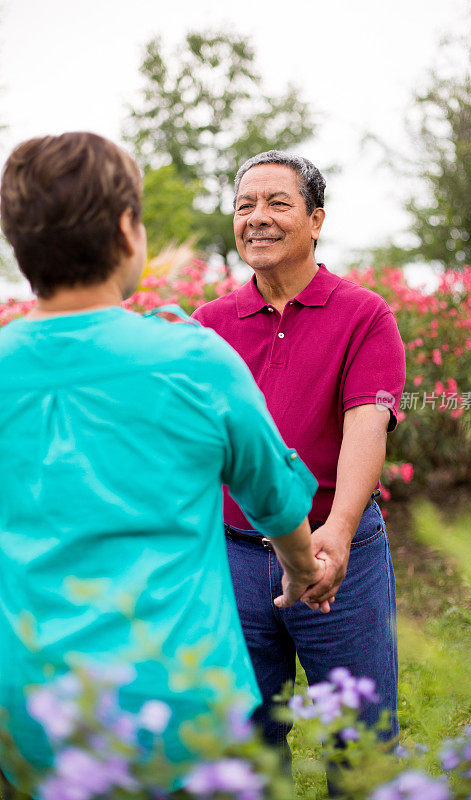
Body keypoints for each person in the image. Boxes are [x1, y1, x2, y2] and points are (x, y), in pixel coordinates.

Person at [0, 133, 331, 795]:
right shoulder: (195, 360)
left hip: (29, 712)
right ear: (128, 230)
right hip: (182, 707)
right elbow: (276, 499)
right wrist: (301, 571)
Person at [192, 150, 406, 756]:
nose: (257, 217)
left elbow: (369, 419)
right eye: (244, 205)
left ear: (316, 220)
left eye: (277, 203)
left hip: (340, 549)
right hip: (233, 558)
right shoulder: (210, 324)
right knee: (246, 742)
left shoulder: (364, 315)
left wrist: (334, 535)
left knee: (359, 739)